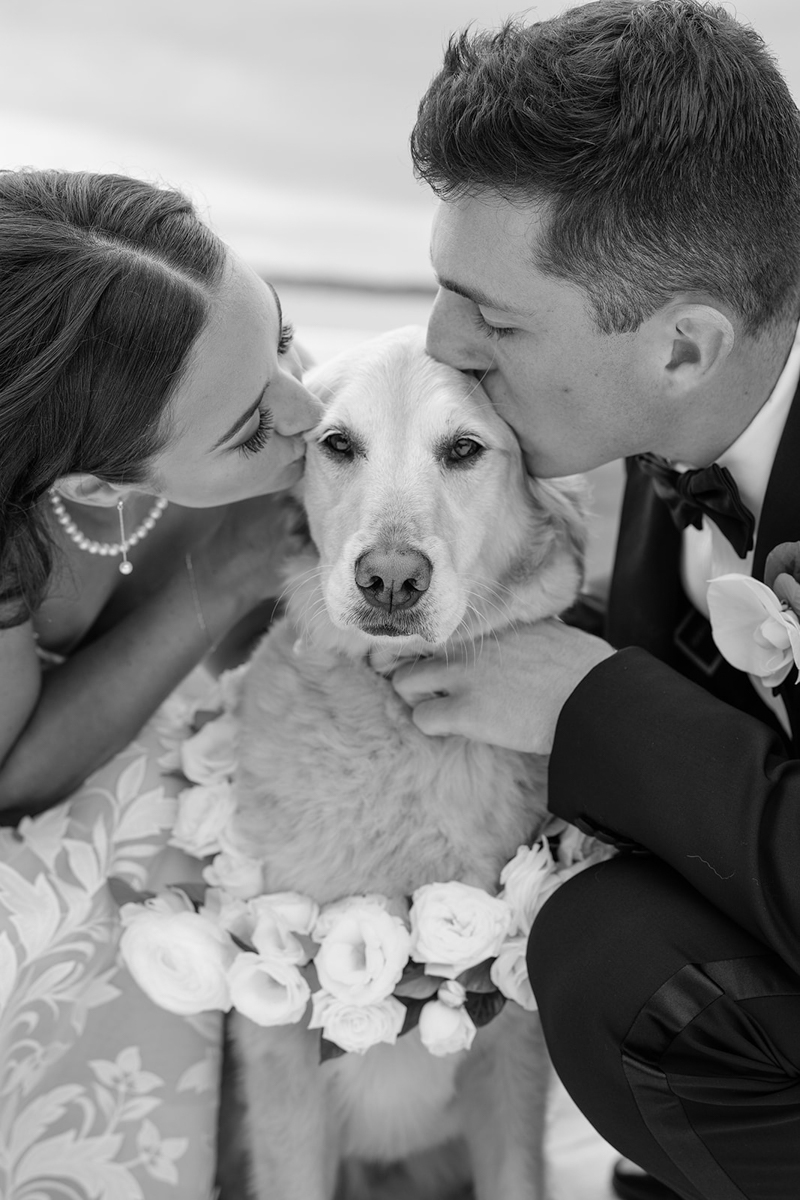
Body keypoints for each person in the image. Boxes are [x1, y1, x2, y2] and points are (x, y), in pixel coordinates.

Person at [393, 2, 800, 1198]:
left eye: (496, 318)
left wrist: (594, 707)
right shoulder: (664, 428)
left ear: (682, 348)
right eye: (445, 288)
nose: (439, 339)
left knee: (619, 965)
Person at [0, 168, 322, 1199]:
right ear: (92, 484)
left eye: (276, 333)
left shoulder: (255, 389)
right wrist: (216, 580)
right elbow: (13, 770)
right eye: (245, 431)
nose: (304, 404)